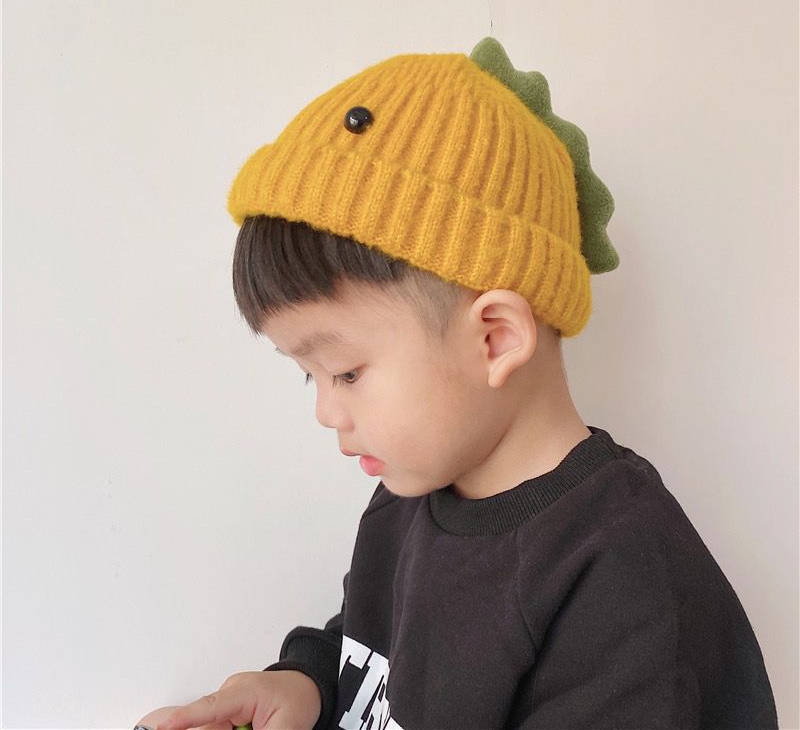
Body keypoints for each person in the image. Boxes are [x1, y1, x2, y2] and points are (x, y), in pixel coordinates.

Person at [136, 38, 778, 730]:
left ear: (495, 338)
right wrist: (305, 687)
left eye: (346, 372)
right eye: (308, 378)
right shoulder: (408, 497)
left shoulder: (619, 576)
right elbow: (376, 660)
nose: (326, 411)